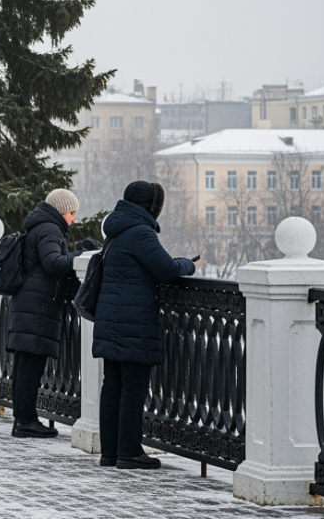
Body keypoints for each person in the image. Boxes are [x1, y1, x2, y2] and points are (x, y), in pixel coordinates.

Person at [92, 181, 196, 469]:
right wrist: (188, 264)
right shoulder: (140, 232)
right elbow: (167, 269)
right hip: (133, 322)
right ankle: (129, 452)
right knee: (133, 388)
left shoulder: (116, 230)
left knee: (113, 386)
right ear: (150, 206)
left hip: (111, 319)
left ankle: (110, 452)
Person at [6, 188, 92, 438]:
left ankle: (23, 419)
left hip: (30, 303)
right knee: (30, 366)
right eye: (71, 212)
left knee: (24, 365)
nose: (74, 218)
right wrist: (82, 256)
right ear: (61, 211)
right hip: (38, 306)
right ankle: (26, 421)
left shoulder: (40, 226)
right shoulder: (49, 229)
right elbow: (53, 263)